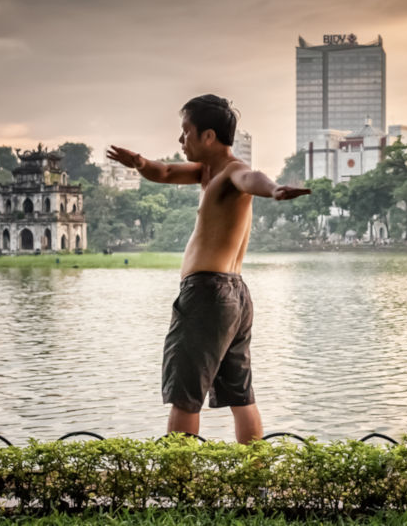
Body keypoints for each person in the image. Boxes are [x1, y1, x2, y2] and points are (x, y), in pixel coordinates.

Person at [106, 94, 310, 444]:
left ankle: (180, 484)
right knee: (240, 394)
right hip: (235, 296)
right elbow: (165, 171)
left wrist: (274, 190)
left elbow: (252, 178)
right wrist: (138, 161)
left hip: (207, 295)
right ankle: (255, 479)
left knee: (185, 394)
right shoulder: (206, 173)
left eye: (186, 132)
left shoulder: (232, 172)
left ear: (209, 137)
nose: (180, 140)